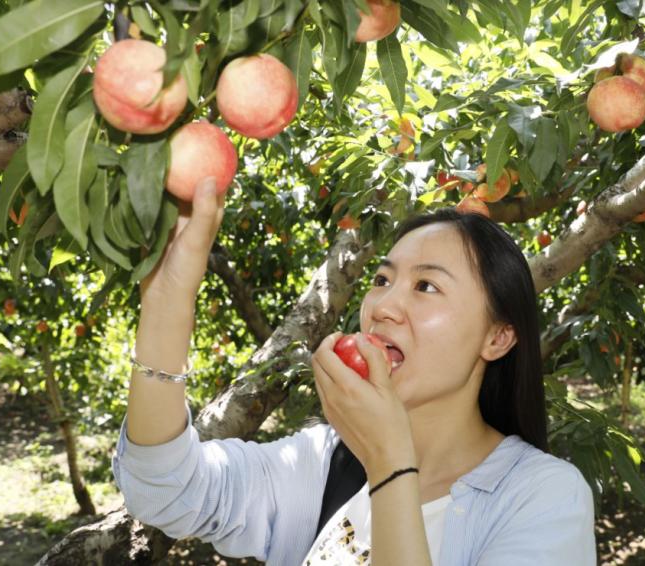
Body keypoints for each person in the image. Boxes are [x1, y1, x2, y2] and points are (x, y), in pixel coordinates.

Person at [113, 177, 596, 565]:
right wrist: (166, 304)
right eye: (382, 279)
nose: (383, 305)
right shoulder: (324, 461)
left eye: (426, 286)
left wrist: (389, 462)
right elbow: (166, 490)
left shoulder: (543, 496)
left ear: (498, 337)